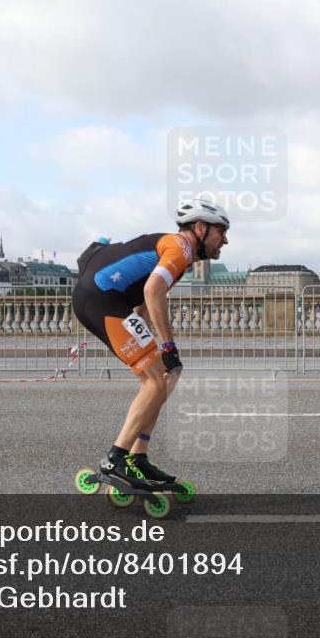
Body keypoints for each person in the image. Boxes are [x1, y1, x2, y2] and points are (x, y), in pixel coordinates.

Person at [72, 199, 229, 490]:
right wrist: (168, 347)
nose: (226, 240)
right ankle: (116, 459)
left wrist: (156, 347)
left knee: (167, 376)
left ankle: (137, 456)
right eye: (221, 231)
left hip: (107, 300)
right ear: (199, 228)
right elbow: (153, 290)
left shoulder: (178, 253)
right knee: (156, 381)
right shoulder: (181, 247)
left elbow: (144, 304)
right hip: (100, 300)